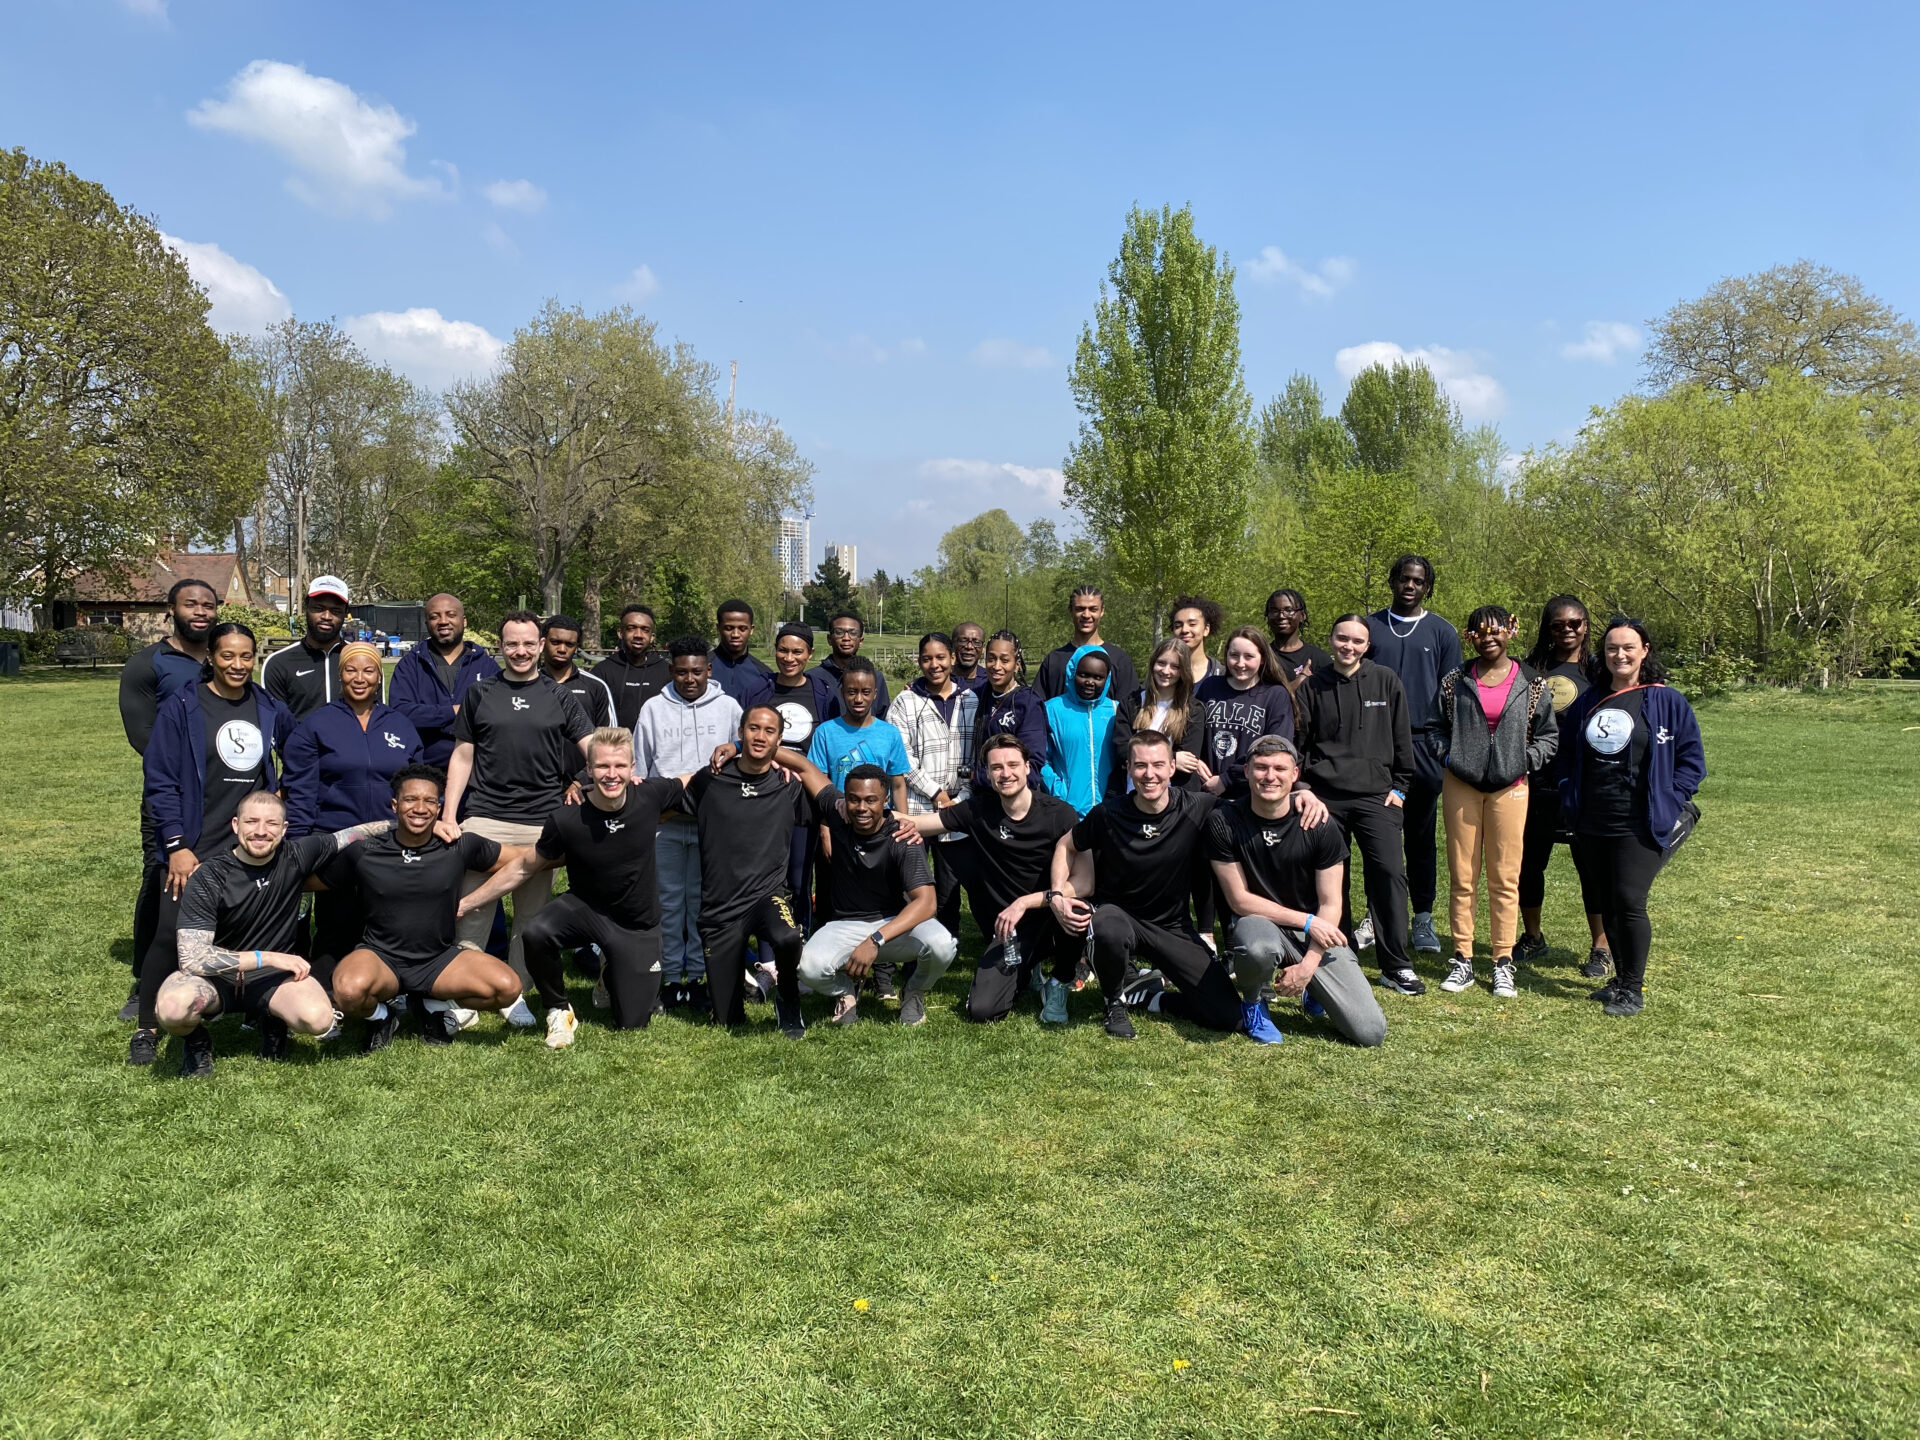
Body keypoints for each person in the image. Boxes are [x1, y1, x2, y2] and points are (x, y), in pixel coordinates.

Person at [455, 727, 690, 1045]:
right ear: (589, 770)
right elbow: (525, 867)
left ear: (633, 768)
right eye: (603, 766)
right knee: (536, 932)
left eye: (620, 766)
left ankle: (609, 977)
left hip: (636, 923)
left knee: (632, 1022)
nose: (611, 774)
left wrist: (738, 752)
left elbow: (695, 780)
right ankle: (558, 1009)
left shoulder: (650, 795)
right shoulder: (566, 819)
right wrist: (467, 904)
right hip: (586, 908)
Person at [129, 622, 297, 1066]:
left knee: (248, 930)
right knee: (169, 933)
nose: (238, 665)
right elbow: (160, 780)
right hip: (193, 842)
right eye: (227, 656)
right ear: (212, 659)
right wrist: (177, 845)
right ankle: (147, 1027)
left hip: (247, 842)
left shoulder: (268, 707)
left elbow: (300, 753)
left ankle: (259, 1013)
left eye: (246, 657)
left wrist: (283, 794)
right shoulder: (183, 707)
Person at [152, 792, 390, 1076]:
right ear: (235, 825)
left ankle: (273, 1020)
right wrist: (270, 958)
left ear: (284, 829)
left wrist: (410, 824)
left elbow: (353, 834)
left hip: (271, 981)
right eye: (251, 822)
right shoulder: (209, 876)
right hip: (216, 979)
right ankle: (196, 1040)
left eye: (271, 824)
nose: (261, 831)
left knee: (318, 1019)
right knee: (172, 1010)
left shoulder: (296, 855)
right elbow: (192, 959)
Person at [444, 610, 595, 1024]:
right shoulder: (480, 693)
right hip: (485, 817)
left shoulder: (560, 695)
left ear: (541, 645)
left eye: (529, 643)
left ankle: (515, 994)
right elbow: (462, 754)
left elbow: (592, 746)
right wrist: (449, 814)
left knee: (529, 919)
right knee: (471, 910)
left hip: (540, 823)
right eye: (512, 644)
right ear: (501, 645)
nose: (521, 651)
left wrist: (606, 777)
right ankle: (465, 996)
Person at [1046, 730, 1242, 1040]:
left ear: (1172, 768)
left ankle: (1152, 996)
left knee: (1229, 1016)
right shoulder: (1108, 814)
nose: (1149, 774)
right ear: (1128, 768)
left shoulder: (1198, 806)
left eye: (1158, 765)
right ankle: (1114, 1002)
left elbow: (1254, 808)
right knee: (1107, 926)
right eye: (1140, 766)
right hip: (1119, 917)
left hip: (1171, 925)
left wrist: (1299, 794)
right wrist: (1057, 893)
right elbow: (1066, 845)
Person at [1559, 618, 1705, 1018]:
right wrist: (1570, 788)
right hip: (1592, 818)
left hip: (1640, 819)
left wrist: (1672, 799)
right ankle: (1619, 981)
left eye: (1627, 648)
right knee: (1606, 902)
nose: (1619, 655)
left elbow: (1692, 761)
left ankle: (1633, 989)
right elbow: (1567, 752)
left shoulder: (1666, 701)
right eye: (1610, 648)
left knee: (1629, 900)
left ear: (1644, 651)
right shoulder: (1589, 701)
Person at [327, 764, 529, 1048]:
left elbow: (524, 858)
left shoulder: (458, 846)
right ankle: (383, 1016)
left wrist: (576, 846)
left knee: (507, 988)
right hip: (381, 957)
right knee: (348, 992)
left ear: (439, 808)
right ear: (395, 805)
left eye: (429, 801)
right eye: (411, 800)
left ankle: (431, 1007)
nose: (420, 808)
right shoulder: (365, 851)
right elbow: (310, 880)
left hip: (438, 960)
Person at [1207, 736, 1388, 1048]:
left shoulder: (1320, 824)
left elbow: (1332, 903)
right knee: (1256, 945)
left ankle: (1311, 989)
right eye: (1261, 767)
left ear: (1295, 775)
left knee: (1370, 1032)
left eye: (1280, 768)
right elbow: (1239, 899)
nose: (1270, 776)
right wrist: (1306, 921)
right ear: (1247, 771)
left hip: (1314, 936)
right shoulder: (1224, 820)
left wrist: (1309, 965)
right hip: (1259, 924)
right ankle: (1253, 1004)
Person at [893, 733, 1080, 1025]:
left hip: (1052, 915)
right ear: (988, 774)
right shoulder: (979, 810)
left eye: (1012, 765)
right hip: (1012, 927)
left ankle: (1060, 980)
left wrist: (1026, 902)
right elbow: (922, 823)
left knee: (1077, 908)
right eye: (996, 767)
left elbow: (1083, 881)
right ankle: (1027, 968)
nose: (1005, 774)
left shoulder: (1059, 815)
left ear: (1028, 767)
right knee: (983, 1010)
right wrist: (865, 812)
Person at [1293, 614, 1427, 996]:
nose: (1348, 646)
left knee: (1387, 873)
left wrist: (1401, 787)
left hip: (1377, 795)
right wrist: (1303, 787)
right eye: (1341, 639)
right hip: (1325, 798)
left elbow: (1403, 739)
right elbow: (1300, 746)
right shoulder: (1311, 687)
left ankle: (1395, 964)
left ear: (1367, 646)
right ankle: (1340, 956)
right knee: (1331, 879)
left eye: (1357, 641)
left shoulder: (1386, 680)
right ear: (1331, 639)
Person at [280, 640, 424, 986]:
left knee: (391, 921)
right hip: (336, 842)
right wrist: (299, 846)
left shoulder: (400, 725)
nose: (359, 678)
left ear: (379, 677)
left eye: (368, 670)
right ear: (340, 674)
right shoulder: (317, 725)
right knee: (336, 925)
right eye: (350, 669)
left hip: (392, 841)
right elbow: (300, 792)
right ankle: (328, 990)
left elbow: (417, 782)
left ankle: (392, 987)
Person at [1434, 606, 1559, 999]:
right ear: (1469, 637)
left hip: (1511, 786)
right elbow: (1435, 728)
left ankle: (1503, 961)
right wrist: (1452, 757)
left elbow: (1548, 737)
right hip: (1461, 785)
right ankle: (1462, 958)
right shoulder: (1456, 680)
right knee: (1462, 875)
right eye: (1479, 632)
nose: (1488, 638)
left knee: (1505, 877)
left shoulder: (1532, 683)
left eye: (1496, 630)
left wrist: (1524, 761)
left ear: (1511, 631)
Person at [785, 762, 956, 1027]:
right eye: (853, 799)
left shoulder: (902, 836)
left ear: (885, 801)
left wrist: (875, 940)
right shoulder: (838, 814)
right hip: (845, 924)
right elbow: (806, 769)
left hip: (893, 926)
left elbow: (927, 903)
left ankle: (914, 992)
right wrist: (743, 747)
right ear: (844, 798)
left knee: (943, 945)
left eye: (871, 800)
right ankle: (845, 992)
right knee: (809, 968)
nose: (861, 808)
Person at [117, 575, 218, 1021]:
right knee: (160, 880)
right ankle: (146, 979)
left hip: (222, 795)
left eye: (208, 605)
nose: (200, 612)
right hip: (171, 795)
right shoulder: (148, 664)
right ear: (171, 610)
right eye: (191, 604)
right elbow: (143, 737)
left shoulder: (223, 659)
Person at [681, 706, 811, 1036]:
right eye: (753, 728)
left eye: (769, 731)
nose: (760, 736)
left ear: (779, 740)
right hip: (720, 907)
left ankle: (789, 1000)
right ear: (741, 732)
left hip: (767, 897)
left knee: (787, 936)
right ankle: (735, 986)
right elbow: (665, 801)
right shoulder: (711, 778)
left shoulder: (788, 785)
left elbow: (822, 786)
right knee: (727, 1020)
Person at [635, 636, 744, 1012]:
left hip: (710, 826)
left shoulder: (728, 707)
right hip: (665, 823)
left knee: (702, 902)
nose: (689, 678)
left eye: (697, 671)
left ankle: (697, 976)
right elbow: (640, 768)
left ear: (709, 671)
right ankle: (667, 978)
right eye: (681, 672)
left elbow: (744, 753)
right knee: (666, 902)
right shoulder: (653, 709)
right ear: (671, 671)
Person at [1364, 555, 1461, 957]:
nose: (1410, 585)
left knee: (1420, 837)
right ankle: (1376, 915)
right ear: (1392, 581)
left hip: (1423, 746)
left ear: (1427, 588)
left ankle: (1422, 917)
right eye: (1403, 578)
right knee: (1376, 838)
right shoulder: (1369, 627)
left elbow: (1453, 695)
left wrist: (1445, 750)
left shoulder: (1442, 632)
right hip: (1374, 745)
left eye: (1418, 581)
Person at [1516, 595, 1610, 975]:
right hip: (1535, 781)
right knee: (1528, 865)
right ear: (1547, 628)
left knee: (1591, 868)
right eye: (1558, 625)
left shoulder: (1599, 670)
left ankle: (1601, 947)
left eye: (1575, 623)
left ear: (1586, 625)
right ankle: (1533, 937)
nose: (1567, 630)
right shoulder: (1528, 669)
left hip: (1583, 783)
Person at [740, 621, 839, 934]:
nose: (789, 657)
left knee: (798, 877)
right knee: (765, 874)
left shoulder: (822, 693)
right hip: (763, 796)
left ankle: (799, 936)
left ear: (809, 654)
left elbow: (830, 743)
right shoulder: (758, 690)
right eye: (783, 649)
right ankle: (767, 944)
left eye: (798, 651)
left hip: (805, 799)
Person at [887, 632, 981, 939]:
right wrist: (936, 793)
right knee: (912, 880)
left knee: (950, 881)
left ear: (953, 658)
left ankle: (947, 941)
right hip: (917, 805)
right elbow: (902, 757)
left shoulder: (971, 700)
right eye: (927, 658)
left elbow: (977, 754)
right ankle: (909, 943)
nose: (934, 665)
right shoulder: (906, 701)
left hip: (959, 806)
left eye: (941, 657)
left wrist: (961, 796)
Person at [389, 592, 501, 770]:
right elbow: (401, 713)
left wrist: (430, 717)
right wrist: (452, 712)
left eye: (451, 614)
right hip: (424, 770)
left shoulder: (486, 667)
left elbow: (497, 716)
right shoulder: (411, 665)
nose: (443, 621)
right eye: (435, 616)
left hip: (477, 771)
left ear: (463, 621)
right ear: (427, 624)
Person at [1195, 627, 1297, 798]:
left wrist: (1227, 780)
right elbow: (1190, 730)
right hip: (1204, 790)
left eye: (1249, 657)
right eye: (1234, 655)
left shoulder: (1275, 695)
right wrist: (1193, 760)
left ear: (1263, 658)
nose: (1240, 663)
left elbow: (1275, 747)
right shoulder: (1210, 686)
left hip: (1248, 795)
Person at [1108, 638, 1208, 796]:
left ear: (1184, 671)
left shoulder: (1194, 710)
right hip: (1132, 794)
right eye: (1161, 663)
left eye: (1175, 666)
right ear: (1153, 664)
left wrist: (1140, 755)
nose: (1166, 671)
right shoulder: (1131, 703)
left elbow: (1188, 760)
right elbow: (1122, 750)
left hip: (1176, 799)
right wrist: (1174, 756)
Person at [261, 575, 354, 719]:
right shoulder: (278, 663)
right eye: (318, 608)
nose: (327, 616)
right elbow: (276, 727)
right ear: (306, 606)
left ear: (345, 612)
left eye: (335, 611)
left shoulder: (361, 659)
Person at [1041, 645, 1118, 816]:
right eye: (1083, 674)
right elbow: (1041, 758)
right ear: (1072, 672)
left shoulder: (1115, 710)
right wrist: (1059, 793)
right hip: (1066, 811)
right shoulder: (1051, 709)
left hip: (1109, 811)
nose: (1090, 682)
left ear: (1107, 679)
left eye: (1098, 677)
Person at [970, 630, 1048, 790]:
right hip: (979, 796)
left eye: (1004, 660)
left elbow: (1032, 764)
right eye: (991, 659)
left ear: (1017, 664)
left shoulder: (1028, 703)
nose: (996, 666)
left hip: (1012, 797)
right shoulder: (980, 694)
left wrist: (982, 777)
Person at [1033, 585, 1138, 702]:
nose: (1086, 615)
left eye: (1093, 609)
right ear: (1070, 611)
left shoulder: (1119, 660)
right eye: (1080, 609)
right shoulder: (1054, 660)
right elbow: (1037, 708)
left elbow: (1130, 710)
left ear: (1102, 611)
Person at [593, 603, 672, 730]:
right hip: (615, 747)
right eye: (631, 628)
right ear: (620, 633)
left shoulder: (666, 671)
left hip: (656, 748)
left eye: (645, 630)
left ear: (652, 637)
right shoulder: (602, 672)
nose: (638, 635)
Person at [540, 613, 616, 729]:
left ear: (576, 648)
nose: (562, 649)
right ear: (543, 643)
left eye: (569, 644)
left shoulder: (596, 686)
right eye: (555, 642)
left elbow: (608, 738)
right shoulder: (529, 683)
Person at [811, 611, 891, 718]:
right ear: (829, 639)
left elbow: (883, 718)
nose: (846, 638)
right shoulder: (813, 678)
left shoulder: (875, 677)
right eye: (839, 632)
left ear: (861, 640)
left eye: (853, 633)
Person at [710, 599, 774, 702]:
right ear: (718, 628)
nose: (735, 634)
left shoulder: (764, 675)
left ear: (751, 629)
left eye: (742, 628)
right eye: (729, 628)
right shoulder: (700, 668)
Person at [1265, 589, 1332, 684]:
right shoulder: (1261, 657)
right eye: (1274, 610)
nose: (1281, 616)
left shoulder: (1319, 659)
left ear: (1302, 615)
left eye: (1289, 610)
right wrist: (1298, 683)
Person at [1169, 595, 1225, 686]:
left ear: (1206, 629)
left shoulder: (1222, 676)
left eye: (1192, 624)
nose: (1184, 630)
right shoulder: (1162, 673)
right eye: (1178, 626)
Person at [950, 621, 989, 691]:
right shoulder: (942, 679)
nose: (969, 646)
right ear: (952, 645)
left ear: (983, 648)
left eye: (976, 642)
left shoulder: (989, 681)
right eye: (963, 641)